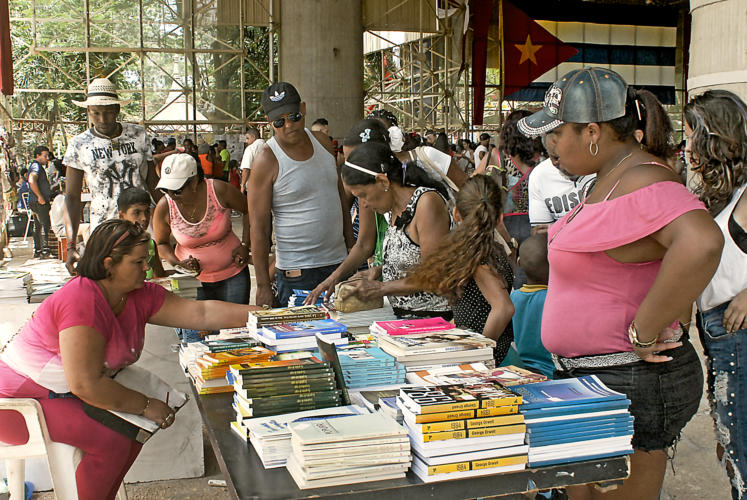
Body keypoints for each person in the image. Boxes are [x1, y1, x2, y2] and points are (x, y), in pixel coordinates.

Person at [518, 67, 723, 500]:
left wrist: (646, 328)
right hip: (598, 379)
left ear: (592, 131)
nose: (548, 147)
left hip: (630, 382)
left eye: (556, 134)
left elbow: (702, 242)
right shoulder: (613, 178)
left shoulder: (643, 178)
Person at [0, 219, 260, 500]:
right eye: (138, 263)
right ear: (110, 263)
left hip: (61, 394)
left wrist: (263, 315)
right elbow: (86, 384)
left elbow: (202, 315)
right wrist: (146, 405)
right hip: (16, 404)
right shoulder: (81, 300)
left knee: (131, 433)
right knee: (111, 438)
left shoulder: (137, 295)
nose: (147, 268)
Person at [685, 90, 747, 500]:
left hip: (737, 331)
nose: (685, 145)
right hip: (718, 332)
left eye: (690, 134)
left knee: (741, 447)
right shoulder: (721, 193)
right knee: (732, 447)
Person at [248, 81, 352, 307]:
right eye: (279, 121)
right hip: (298, 272)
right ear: (269, 123)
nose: (289, 125)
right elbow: (259, 227)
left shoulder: (324, 143)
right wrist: (263, 286)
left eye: (294, 116)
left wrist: (351, 245)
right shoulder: (266, 159)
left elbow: (339, 199)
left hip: (338, 263)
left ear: (303, 109)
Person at [338, 141, 453, 319]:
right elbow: (415, 261)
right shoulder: (394, 209)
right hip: (402, 320)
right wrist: (379, 271)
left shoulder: (427, 203)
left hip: (434, 321)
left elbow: (435, 274)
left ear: (383, 181)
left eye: (363, 196)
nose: (365, 204)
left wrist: (381, 288)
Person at [406, 175, 515, 361]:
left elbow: (503, 308)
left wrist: (481, 350)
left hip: (485, 351)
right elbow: (475, 305)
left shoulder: (482, 256)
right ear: (499, 218)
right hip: (474, 341)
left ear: (456, 213)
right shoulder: (485, 251)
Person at [63, 77, 157, 274]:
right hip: (105, 231)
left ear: (117, 110)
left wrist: (168, 224)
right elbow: (71, 197)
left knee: (144, 280)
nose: (102, 120)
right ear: (89, 112)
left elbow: (153, 184)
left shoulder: (138, 135)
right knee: (108, 282)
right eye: (96, 113)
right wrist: (71, 245)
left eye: (107, 113)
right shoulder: (79, 144)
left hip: (140, 227)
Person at [153, 154, 250, 342]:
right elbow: (162, 243)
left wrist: (246, 245)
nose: (172, 195)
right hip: (192, 283)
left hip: (233, 275)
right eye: (167, 189)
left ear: (194, 181)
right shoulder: (165, 206)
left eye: (177, 190)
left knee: (235, 336)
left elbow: (249, 211)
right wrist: (178, 264)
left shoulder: (219, 190)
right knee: (197, 339)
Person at [528, 134, 595, 234]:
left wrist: (560, 228)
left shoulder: (600, 165)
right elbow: (538, 231)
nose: (556, 162)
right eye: (554, 156)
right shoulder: (539, 175)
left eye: (567, 154)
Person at [509, 233, 553, 377]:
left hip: (523, 368)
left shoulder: (513, 298)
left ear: (519, 262)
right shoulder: (554, 300)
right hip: (553, 371)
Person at [117, 187, 167, 278]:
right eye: (137, 212)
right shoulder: (117, 246)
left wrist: (182, 268)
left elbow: (159, 276)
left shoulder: (150, 244)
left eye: (147, 211)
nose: (144, 218)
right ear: (122, 216)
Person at [28, 145, 53, 258]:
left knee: (38, 225)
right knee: (44, 224)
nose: (47, 158)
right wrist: (40, 196)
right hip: (39, 201)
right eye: (45, 156)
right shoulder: (36, 166)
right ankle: (45, 250)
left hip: (35, 200)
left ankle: (38, 250)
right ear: (38, 156)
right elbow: (31, 179)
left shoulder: (36, 166)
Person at [239, 127, 265, 194]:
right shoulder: (268, 146)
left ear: (253, 137)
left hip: (253, 187)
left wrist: (242, 185)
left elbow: (246, 169)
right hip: (268, 186)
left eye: (247, 138)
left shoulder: (251, 148)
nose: (246, 141)